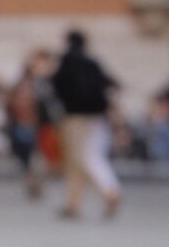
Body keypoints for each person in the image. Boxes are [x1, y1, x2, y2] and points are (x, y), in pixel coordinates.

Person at [49, 29, 122, 220]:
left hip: (74, 118)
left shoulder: (67, 63)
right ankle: (73, 203)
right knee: (75, 162)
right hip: (97, 118)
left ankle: (109, 190)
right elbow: (112, 84)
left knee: (86, 157)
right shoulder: (92, 63)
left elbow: (55, 88)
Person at [1, 50, 52, 200]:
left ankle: (34, 182)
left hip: (35, 126)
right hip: (24, 125)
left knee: (35, 158)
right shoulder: (25, 85)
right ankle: (33, 181)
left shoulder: (41, 85)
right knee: (29, 157)